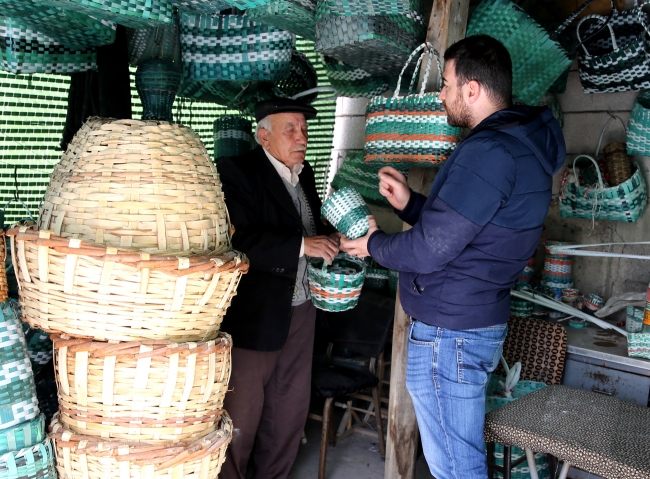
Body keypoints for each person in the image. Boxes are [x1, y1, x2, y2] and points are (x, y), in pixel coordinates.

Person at [340, 35, 565, 479]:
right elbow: (466, 231)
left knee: (456, 468)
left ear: (473, 89)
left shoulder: (490, 152)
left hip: (450, 335)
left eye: (445, 84)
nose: (440, 94)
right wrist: (409, 204)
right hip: (470, 323)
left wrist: (373, 245)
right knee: (457, 460)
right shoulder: (521, 145)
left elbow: (430, 248)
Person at [217, 98, 339, 479]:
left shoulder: (304, 176)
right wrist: (303, 246)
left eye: (303, 129)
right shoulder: (238, 172)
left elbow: (311, 233)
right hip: (257, 314)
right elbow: (238, 242)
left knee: (289, 409)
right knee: (244, 414)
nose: (301, 137)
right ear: (263, 136)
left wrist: (335, 241)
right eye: (291, 129)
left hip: (302, 310)